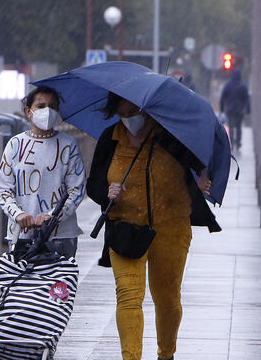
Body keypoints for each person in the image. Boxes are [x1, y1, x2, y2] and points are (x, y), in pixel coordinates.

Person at [86, 92, 221, 360]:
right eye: (123, 114)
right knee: (128, 296)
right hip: (125, 228)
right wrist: (107, 191)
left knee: (168, 298)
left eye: (133, 112)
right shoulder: (110, 138)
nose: (129, 120)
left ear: (147, 110)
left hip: (171, 227)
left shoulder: (172, 136)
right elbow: (94, 185)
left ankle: (166, 354)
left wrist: (203, 178)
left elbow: (200, 165)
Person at [0, 86, 86, 260]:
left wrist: (52, 217)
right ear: (29, 111)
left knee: (58, 287)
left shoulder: (69, 145)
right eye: (41, 106)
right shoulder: (15, 145)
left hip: (61, 236)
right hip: (20, 235)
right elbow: (3, 188)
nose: (48, 111)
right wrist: (17, 214)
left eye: (52, 106)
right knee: (23, 286)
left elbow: (77, 190)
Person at [219, 68, 250, 151]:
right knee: (239, 127)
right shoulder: (243, 86)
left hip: (230, 110)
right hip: (240, 110)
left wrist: (222, 108)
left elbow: (222, 97)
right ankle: (238, 143)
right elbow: (247, 98)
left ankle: (232, 143)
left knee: (231, 127)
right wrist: (248, 110)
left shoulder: (228, 85)